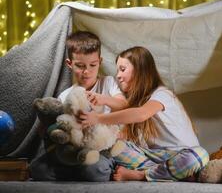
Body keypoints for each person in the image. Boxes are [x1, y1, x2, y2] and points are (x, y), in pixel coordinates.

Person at [78, 46, 209, 182]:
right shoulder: (139, 103)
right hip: (154, 157)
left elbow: (141, 114)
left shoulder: (163, 94)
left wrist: (99, 119)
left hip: (181, 154)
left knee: (200, 155)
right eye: (118, 70)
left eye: (122, 69)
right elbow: (127, 135)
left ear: (140, 70)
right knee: (113, 146)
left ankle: (142, 175)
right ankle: (174, 174)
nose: (118, 76)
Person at [30, 31, 127, 181]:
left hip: (99, 149)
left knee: (94, 170)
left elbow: (123, 104)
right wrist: (50, 130)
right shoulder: (66, 95)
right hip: (74, 149)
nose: (87, 71)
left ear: (100, 62)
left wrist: (103, 99)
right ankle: (75, 170)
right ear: (70, 64)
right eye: (80, 66)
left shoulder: (108, 83)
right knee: (37, 169)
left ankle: (80, 172)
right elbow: (59, 125)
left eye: (92, 65)